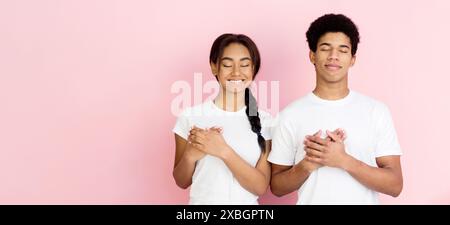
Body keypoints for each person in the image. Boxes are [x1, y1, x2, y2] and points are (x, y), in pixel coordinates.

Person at [268, 14, 403, 204]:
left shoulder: (376, 111)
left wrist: (343, 160)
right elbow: (277, 187)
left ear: (352, 59)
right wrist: (308, 163)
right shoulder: (289, 115)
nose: (333, 56)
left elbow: (395, 185)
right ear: (312, 55)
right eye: (325, 48)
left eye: (343, 50)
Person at [172, 33, 272, 204]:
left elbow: (260, 186)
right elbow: (181, 181)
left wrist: (223, 151)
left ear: (253, 68)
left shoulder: (267, 121)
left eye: (245, 65)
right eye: (227, 64)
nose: (236, 72)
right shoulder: (190, 116)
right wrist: (190, 155)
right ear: (214, 66)